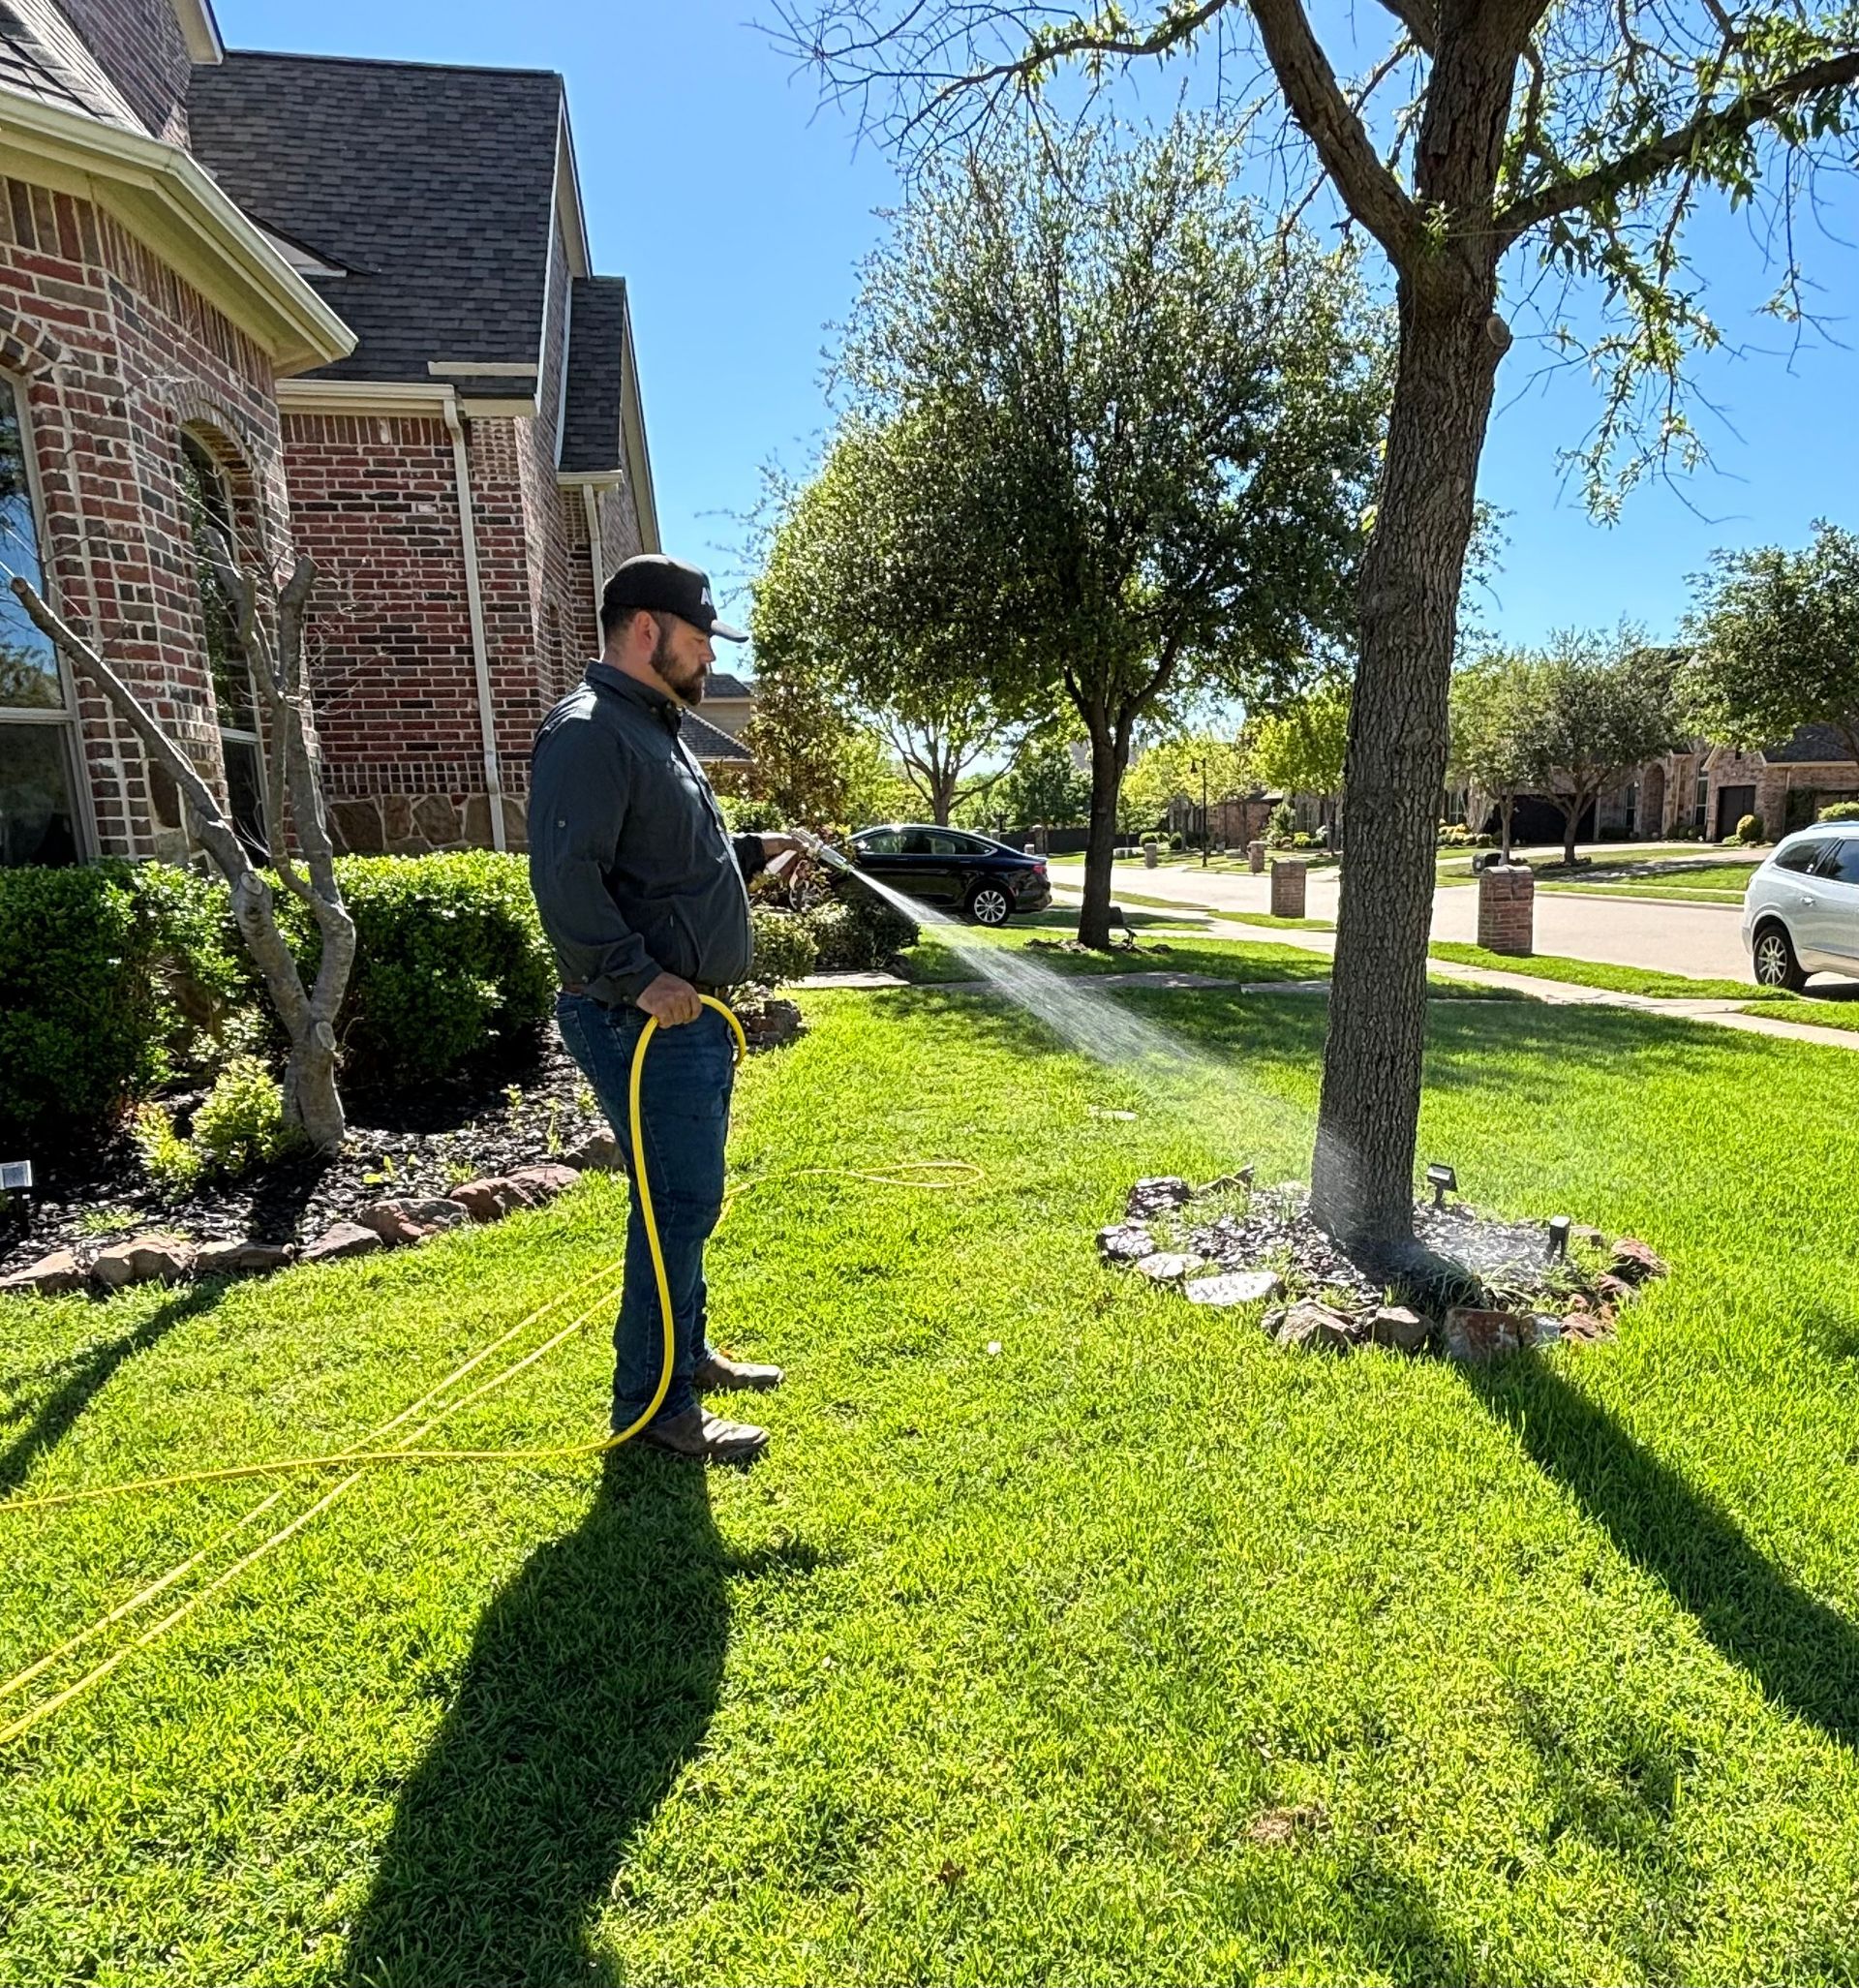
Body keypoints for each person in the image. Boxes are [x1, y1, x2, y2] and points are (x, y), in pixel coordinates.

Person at [530, 554, 806, 1463]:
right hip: (640, 1022)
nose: (704, 659)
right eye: (696, 640)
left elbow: (676, 853)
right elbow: (566, 881)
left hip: (684, 1024)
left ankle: (684, 1357)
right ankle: (655, 1410)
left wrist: (758, 847)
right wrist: (641, 977)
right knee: (672, 1205)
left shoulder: (656, 729)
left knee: (685, 1201)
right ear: (646, 631)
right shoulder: (589, 733)